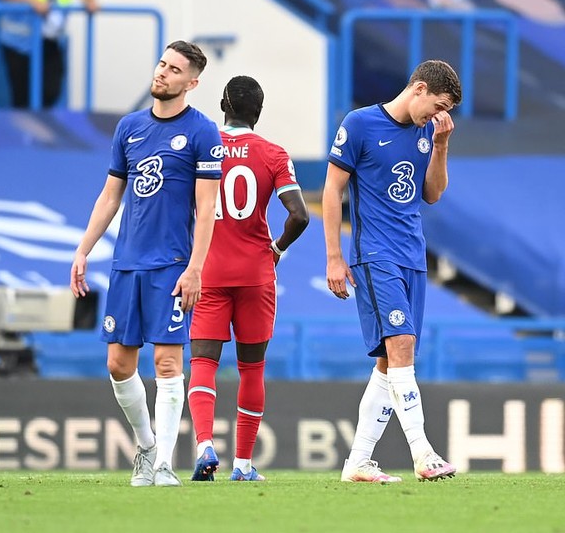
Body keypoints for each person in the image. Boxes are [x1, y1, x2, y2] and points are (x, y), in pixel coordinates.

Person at [70, 40, 223, 487]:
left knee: (169, 365)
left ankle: (165, 464)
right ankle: (146, 445)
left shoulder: (202, 132)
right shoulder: (130, 127)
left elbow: (207, 206)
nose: (162, 73)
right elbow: (110, 195)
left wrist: (195, 268)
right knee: (118, 364)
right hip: (127, 264)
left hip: (172, 265)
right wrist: (84, 249)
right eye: (161, 64)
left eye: (174, 70)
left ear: (191, 83)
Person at [322, 59, 462, 483]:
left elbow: (433, 195)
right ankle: (423, 453)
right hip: (375, 253)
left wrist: (440, 146)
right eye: (436, 105)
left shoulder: (428, 133)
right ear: (418, 88)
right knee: (400, 344)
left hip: (412, 255)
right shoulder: (361, 123)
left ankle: (358, 463)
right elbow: (332, 188)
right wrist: (333, 256)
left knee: (390, 362)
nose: (439, 116)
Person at [187, 76, 310, 482]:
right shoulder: (272, 153)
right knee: (251, 369)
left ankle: (204, 443)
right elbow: (299, 215)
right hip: (256, 272)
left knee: (203, 361)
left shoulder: (202, 146)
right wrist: (275, 250)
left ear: (223, 104)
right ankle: (242, 465)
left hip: (210, 269)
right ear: (259, 112)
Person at [0, 0, 99, 108]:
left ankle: (35, 126)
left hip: (49, 38)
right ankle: (24, 128)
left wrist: (91, 1)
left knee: (51, 90)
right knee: (22, 96)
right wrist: (33, 2)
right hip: (18, 41)